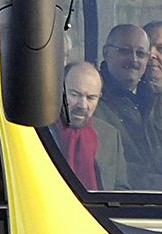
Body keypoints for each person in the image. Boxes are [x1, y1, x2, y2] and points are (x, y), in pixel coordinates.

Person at [93, 23, 162, 192]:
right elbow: (98, 159)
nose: (134, 60)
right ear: (106, 52)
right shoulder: (91, 101)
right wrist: (147, 184)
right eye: (125, 51)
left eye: (140, 54)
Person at [52, 61, 126, 190]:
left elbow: (121, 190)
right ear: (60, 90)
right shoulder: (40, 131)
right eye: (75, 95)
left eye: (91, 98)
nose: (82, 105)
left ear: (99, 98)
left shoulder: (110, 136)